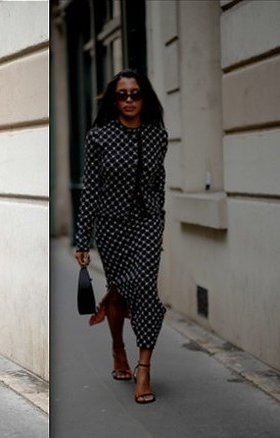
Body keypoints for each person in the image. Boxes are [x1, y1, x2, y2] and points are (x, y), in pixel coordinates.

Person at [74, 69, 168, 404]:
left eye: (135, 94)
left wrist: (157, 219)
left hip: (147, 224)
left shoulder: (157, 135)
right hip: (111, 226)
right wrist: (82, 239)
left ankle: (144, 368)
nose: (129, 100)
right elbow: (91, 190)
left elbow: (159, 183)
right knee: (117, 294)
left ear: (145, 98)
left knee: (144, 288)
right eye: (122, 95)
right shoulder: (100, 136)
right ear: (114, 101)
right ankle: (118, 349)